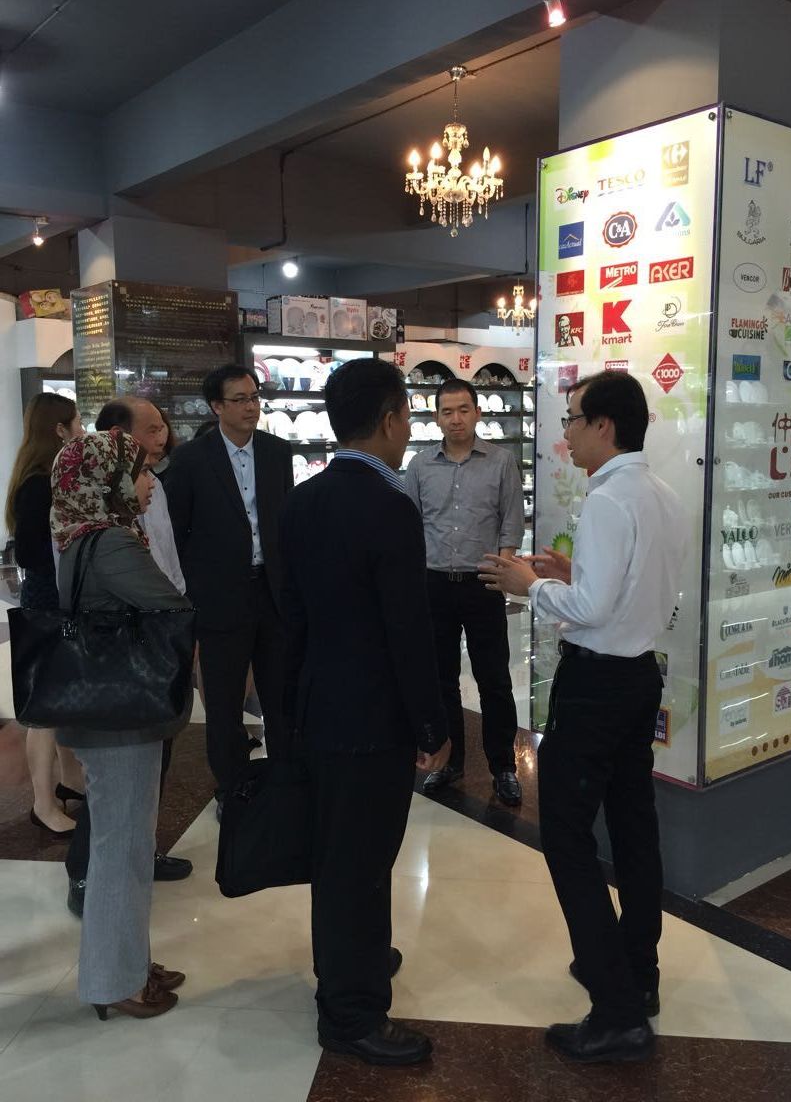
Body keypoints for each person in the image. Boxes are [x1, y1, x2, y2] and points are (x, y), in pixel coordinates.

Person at [478, 371, 685, 1065]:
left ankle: (616, 1009)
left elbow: (593, 610)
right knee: (633, 825)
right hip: (638, 678)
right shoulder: (661, 494)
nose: (565, 431)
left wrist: (531, 585)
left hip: (596, 684)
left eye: (571, 418)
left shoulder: (608, 499)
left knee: (566, 836)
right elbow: (631, 591)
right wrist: (571, 577)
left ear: (604, 425)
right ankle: (639, 971)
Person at [279, 358, 450, 1066]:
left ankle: (358, 961)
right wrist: (432, 723)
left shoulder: (302, 501)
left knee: (340, 856)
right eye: (407, 415)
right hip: (372, 718)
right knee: (361, 861)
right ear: (388, 419)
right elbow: (407, 630)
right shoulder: (389, 505)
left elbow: (290, 619)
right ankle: (351, 1014)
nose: (409, 429)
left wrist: (288, 712)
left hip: (320, 706)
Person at [50, 429, 192, 1020]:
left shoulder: (80, 535)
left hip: (103, 713)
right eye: (138, 471)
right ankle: (116, 982)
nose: (149, 482)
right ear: (108, 481)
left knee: (125, 842)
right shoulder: (110, 542)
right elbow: (172, 605)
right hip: (120, 718)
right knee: (122, 848)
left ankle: (129, 962)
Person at [164, 364, 293, 798]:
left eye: (255, 398)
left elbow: (284, 523)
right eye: (239, 400)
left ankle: (285, 780)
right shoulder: (192, 459)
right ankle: (232, 787)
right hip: (220, 597)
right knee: (223, 702)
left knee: (281, 695)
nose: (251, 407)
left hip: (272, 592)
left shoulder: (277, 452)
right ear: (216, 406)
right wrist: (193, 592)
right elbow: (177, 531)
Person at [404, 378, 525, 806]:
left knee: (494, 680)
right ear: (435, 417)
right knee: (441, 680)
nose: (455, 419)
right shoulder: (419, 465)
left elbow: (511, 521)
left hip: (482, 583)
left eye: (463, 410)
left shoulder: (501, 461)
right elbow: (410, 525)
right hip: (433, 584)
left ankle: (503, 766)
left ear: (477, 412)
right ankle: (449, 762)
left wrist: (502, 569)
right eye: (447, 411)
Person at [4, 393, 85, 837]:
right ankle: (43, 802)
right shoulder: (39, 484)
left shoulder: (43, 478)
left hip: (54, 601)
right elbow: (34, 554)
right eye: (76, 423)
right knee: (47, 709)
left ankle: (69, 781)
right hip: (47, 605)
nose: (81, 431)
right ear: (59, 430)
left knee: (62, 702)